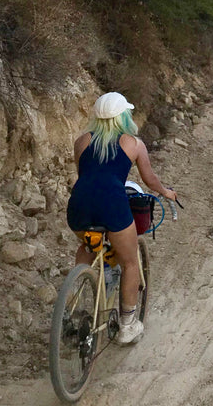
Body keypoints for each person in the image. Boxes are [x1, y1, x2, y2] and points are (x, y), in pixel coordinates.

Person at [66, 92, 177, 344]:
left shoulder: (82, 141)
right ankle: (127, 326)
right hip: (112, 205)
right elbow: (149, 179)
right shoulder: (133, 143)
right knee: (129, 263)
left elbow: (86, 174)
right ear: (123, 116)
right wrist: (166, 193)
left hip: (79, 205)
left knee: (87, 245)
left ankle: (71, 307)